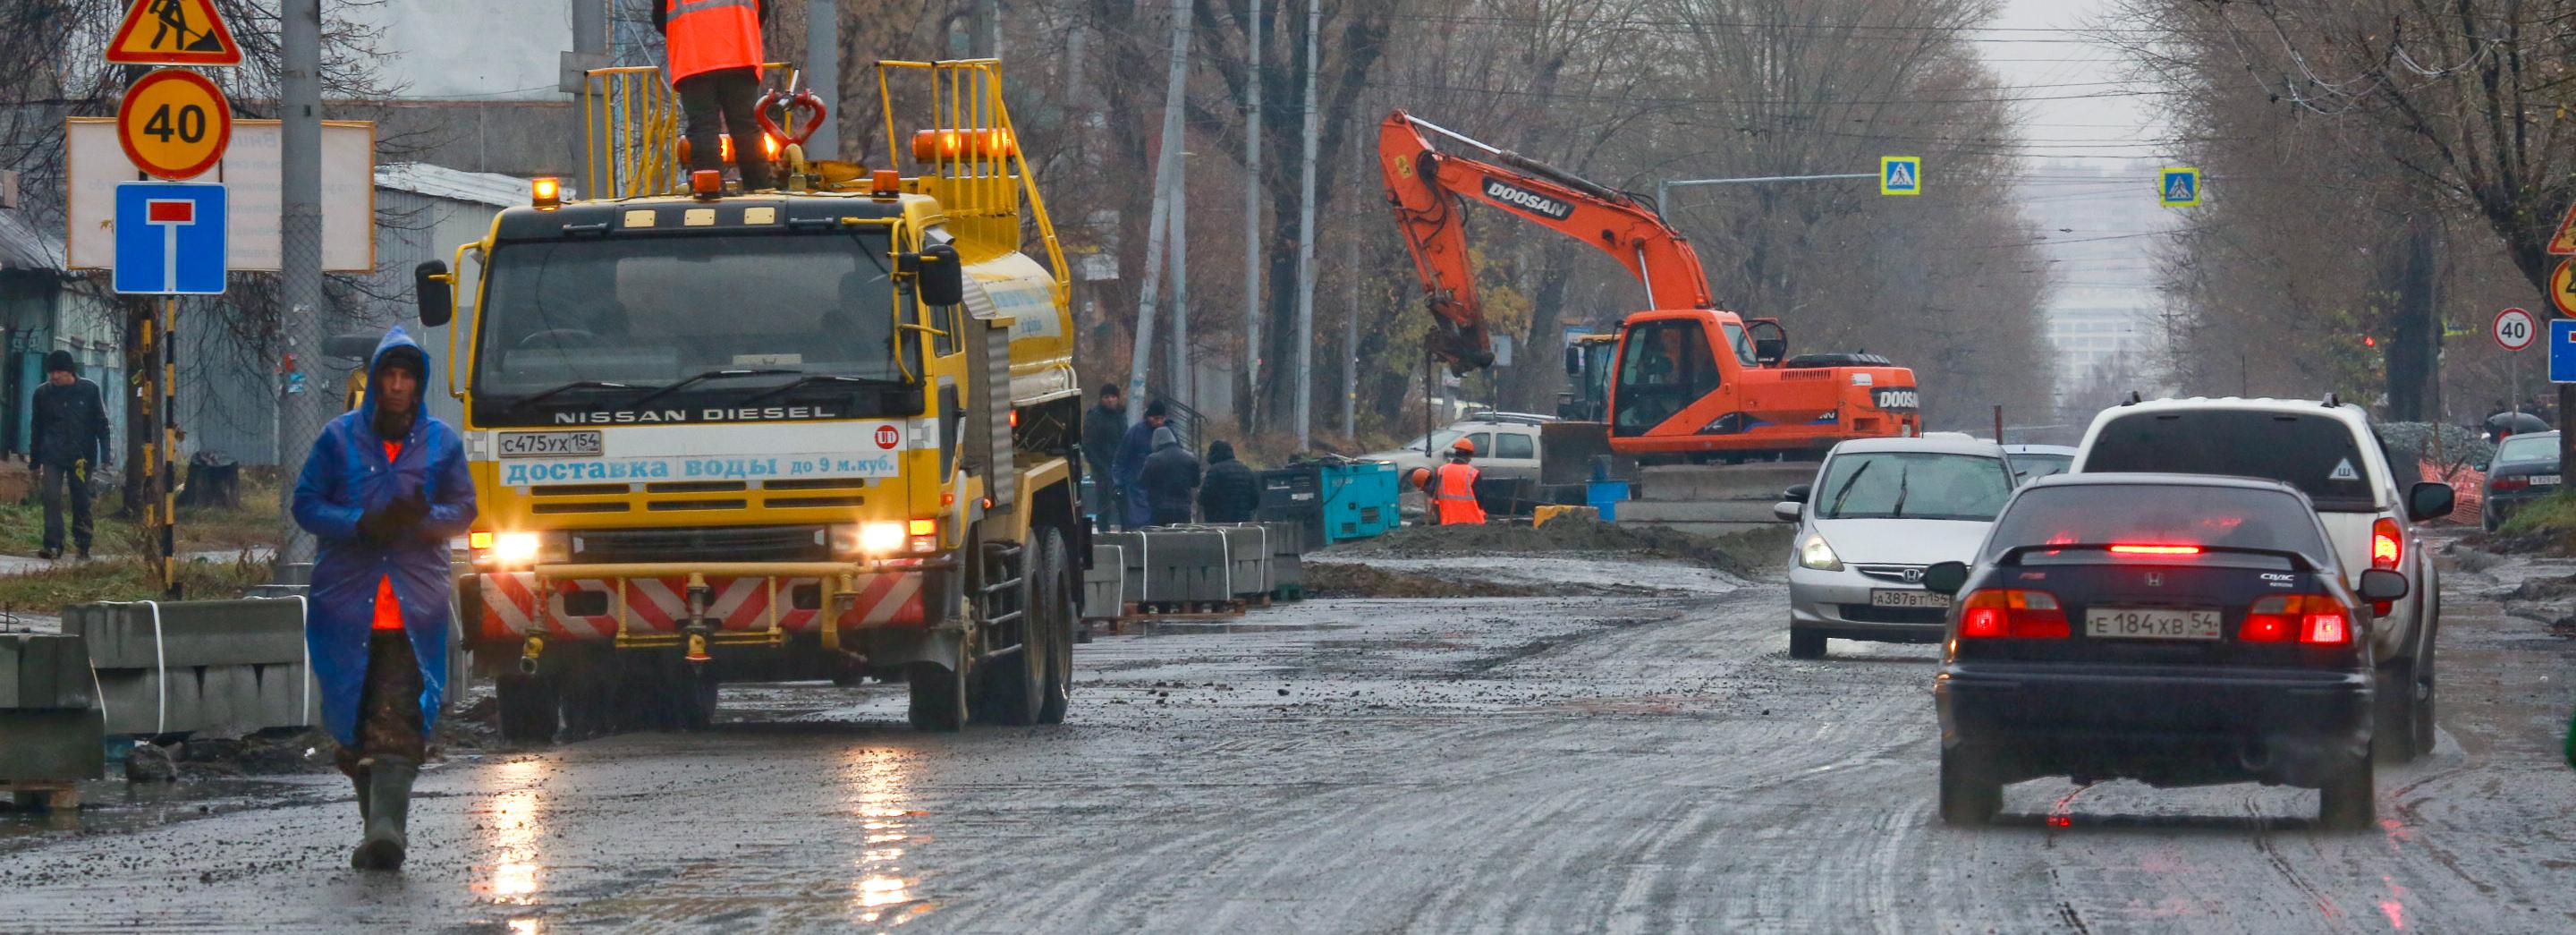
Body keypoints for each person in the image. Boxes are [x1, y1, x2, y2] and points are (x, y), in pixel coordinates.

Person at [292, 328, 477, 872]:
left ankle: (387, 830)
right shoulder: (338, 438)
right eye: (389, 376)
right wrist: (360, 523)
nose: (398, 386)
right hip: (347, 607)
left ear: (418, 385)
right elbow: (306, 505)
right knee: (354, 720)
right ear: (375, 381)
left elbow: (464, 510)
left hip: (412, 608)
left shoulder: (441, 442)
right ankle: (378, 831)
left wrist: (422, 520)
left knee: (397, 718)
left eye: (408, 377)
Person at [653, 0, 775, 191]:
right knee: (745, 127)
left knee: (703, 127)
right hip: (740, 52)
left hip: (694, 57)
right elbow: (762, 10)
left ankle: (709, 188)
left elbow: (660, 17)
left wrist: (688, 32)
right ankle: (759, 187)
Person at [30, 350, 110, 561]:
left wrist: (106, 454)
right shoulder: (42, 394)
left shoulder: (89, 390)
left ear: (70, 372)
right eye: (51, 372)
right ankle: (53, 544)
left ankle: (83, 544)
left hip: (81, 456)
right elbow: (36, 427)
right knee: (51, 497)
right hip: (52, 454)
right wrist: (34, 461)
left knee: (81, 499)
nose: (54, 376)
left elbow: (102, 424)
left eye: (59, 372)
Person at [1114, 400, 1169, 529]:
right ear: (1149, 416)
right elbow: (1121, 460)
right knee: (1140, 521)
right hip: (1137, 484)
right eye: (1156, 418)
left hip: (1157, 485)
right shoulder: (1135, 433)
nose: (1159, 422)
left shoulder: (1138, 432)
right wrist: (1119, 483)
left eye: (1161, 418)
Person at [1081, 384, 1128, 528]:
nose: (1110, 400)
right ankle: (1104, 533)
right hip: (1102, 467)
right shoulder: (1095, 416)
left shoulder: (1121, 415)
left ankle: (1126, 531)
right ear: (1101, 399)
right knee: (1104, 504)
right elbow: (1088, 445)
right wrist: (1099, 466)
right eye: (1106, 397)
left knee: (1124, 502)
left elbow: (1124, 440)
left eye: (1113, 397)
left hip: (1119, 466)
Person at [1138, 426, 1203, 526]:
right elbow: (1196, 482)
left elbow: (1142, 482)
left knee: (1159, 539)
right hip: (1184, 507)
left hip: (1159, 507)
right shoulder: (1190, 457)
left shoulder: (1153, 459)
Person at [1418, 437, 1487, 526]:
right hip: (1471, 524)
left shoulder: (1441, 470)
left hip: (1447, 523)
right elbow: (1480, 500)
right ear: (1469, 456)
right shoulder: (1473, 473)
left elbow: (1432, 493)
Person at [1198, 439, 1259, 523]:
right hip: (1243, 524)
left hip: (1220, 524)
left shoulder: (1215, 470)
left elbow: (1203, 498)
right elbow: (1255, 500)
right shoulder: (1246, 470)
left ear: (1214, 454)